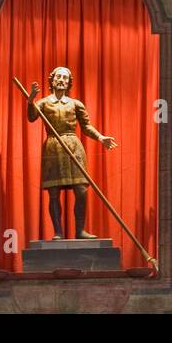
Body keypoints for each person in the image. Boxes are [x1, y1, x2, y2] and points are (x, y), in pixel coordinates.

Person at [28, 66, 118, 240]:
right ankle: (58, 232)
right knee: (54, 191)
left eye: (65, 78)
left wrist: (100, 137)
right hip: (53, 147)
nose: (61, 80)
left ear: (69, 82)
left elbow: (86, 126)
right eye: (58, 77)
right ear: (52, 80)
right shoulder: (44, 102)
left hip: (73, 146)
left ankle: (80, 230)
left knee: (81, 189)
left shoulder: (76, 104)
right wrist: (31, 99)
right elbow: (31, 117)